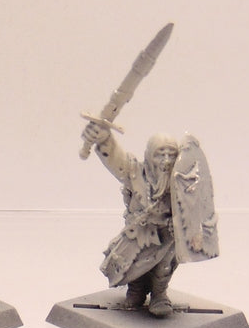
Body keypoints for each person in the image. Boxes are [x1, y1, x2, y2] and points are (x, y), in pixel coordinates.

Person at [81, 124, 218, 317]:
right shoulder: (135, 172)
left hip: (166, 237)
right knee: (133, 265)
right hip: (139, 234)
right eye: (160, 154)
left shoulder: (180, 181)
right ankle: (135, 291)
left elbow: (192, 209)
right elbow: (116, 159)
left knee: (163, 268)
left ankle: (159, 295)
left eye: (171, 154)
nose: (166, 160)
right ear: (149, 155)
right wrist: (104, 139)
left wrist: (183, 226)